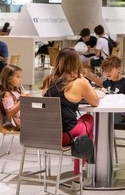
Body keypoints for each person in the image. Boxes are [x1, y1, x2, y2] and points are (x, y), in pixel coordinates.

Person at [41, 47, 99, 189]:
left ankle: (82, 168)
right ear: (76, 63)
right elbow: (95, 102)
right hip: (68, 135)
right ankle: (80, 174)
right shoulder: (80, 81)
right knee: (89, 119)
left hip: (49, 135)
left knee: (82, 130)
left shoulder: (49, 81)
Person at [84, 55, 125, 124]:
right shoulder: (108, 82)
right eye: (105, 71)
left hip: (118, 114)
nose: (107, 73)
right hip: (107, 111)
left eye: (110, 70)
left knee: (96, 118)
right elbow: (101, 83)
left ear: (118, 69)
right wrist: (89, 75)